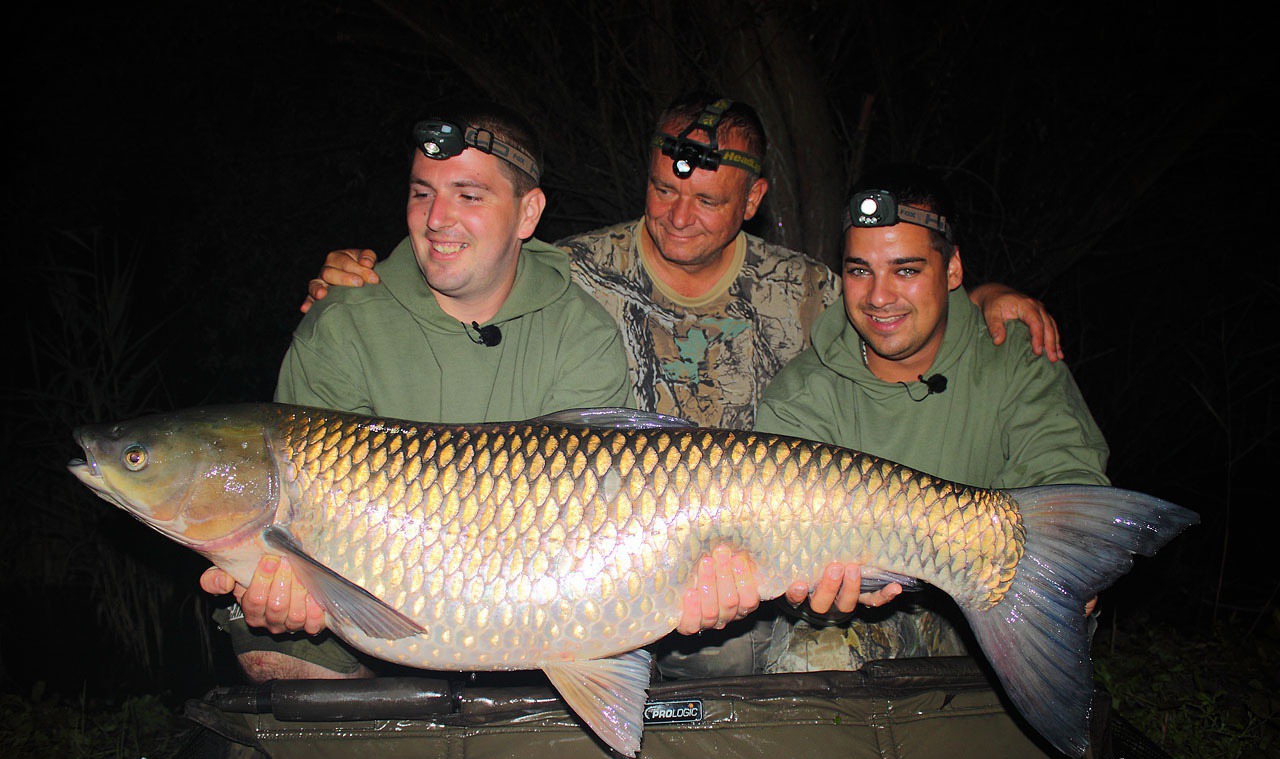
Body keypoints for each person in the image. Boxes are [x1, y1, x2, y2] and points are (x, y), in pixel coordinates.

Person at [304, 95, 1067, 678]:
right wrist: (369, 280)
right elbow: (478, 267)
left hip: (738, 568)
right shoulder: (575, 277)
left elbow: (894, 302)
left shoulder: (806, 293)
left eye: (706, 200)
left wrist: (985, 300)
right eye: (663, 191)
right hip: (590, 560)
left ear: (754, 200)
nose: (678, 216)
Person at [200, 101, 633, 681]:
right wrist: (284, 592)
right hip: (364, 597)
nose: (437, 219)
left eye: (469, 196)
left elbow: (601, 519)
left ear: (528, 213)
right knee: (272, 651)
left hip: (544, 587)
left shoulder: (582, 332)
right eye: (422, 193)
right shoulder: (343, 322)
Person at [755, 163, 1110, 672]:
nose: (879, 296)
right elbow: (787, 564)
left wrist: (1069, 562)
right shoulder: (800, 394)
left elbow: (1067, 472)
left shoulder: (1013, 353)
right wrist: (815, 596)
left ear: (953, 271)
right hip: (874, 622)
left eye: (906, 270)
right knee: (811, 651)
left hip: (1000, 600)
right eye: (860, 270)